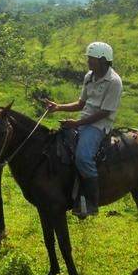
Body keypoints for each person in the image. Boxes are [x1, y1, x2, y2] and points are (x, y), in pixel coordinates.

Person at [42, 41, 122, 218]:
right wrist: (58, 107)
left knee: (83, 157)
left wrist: (77, 124)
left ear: (102, 60)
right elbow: (81, 104)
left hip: (99, 125)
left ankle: (92, 202)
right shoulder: (89, 76)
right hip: (83, 122)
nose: (88, 62)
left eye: (91, 59)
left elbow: (105, 112)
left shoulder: (114, 82)